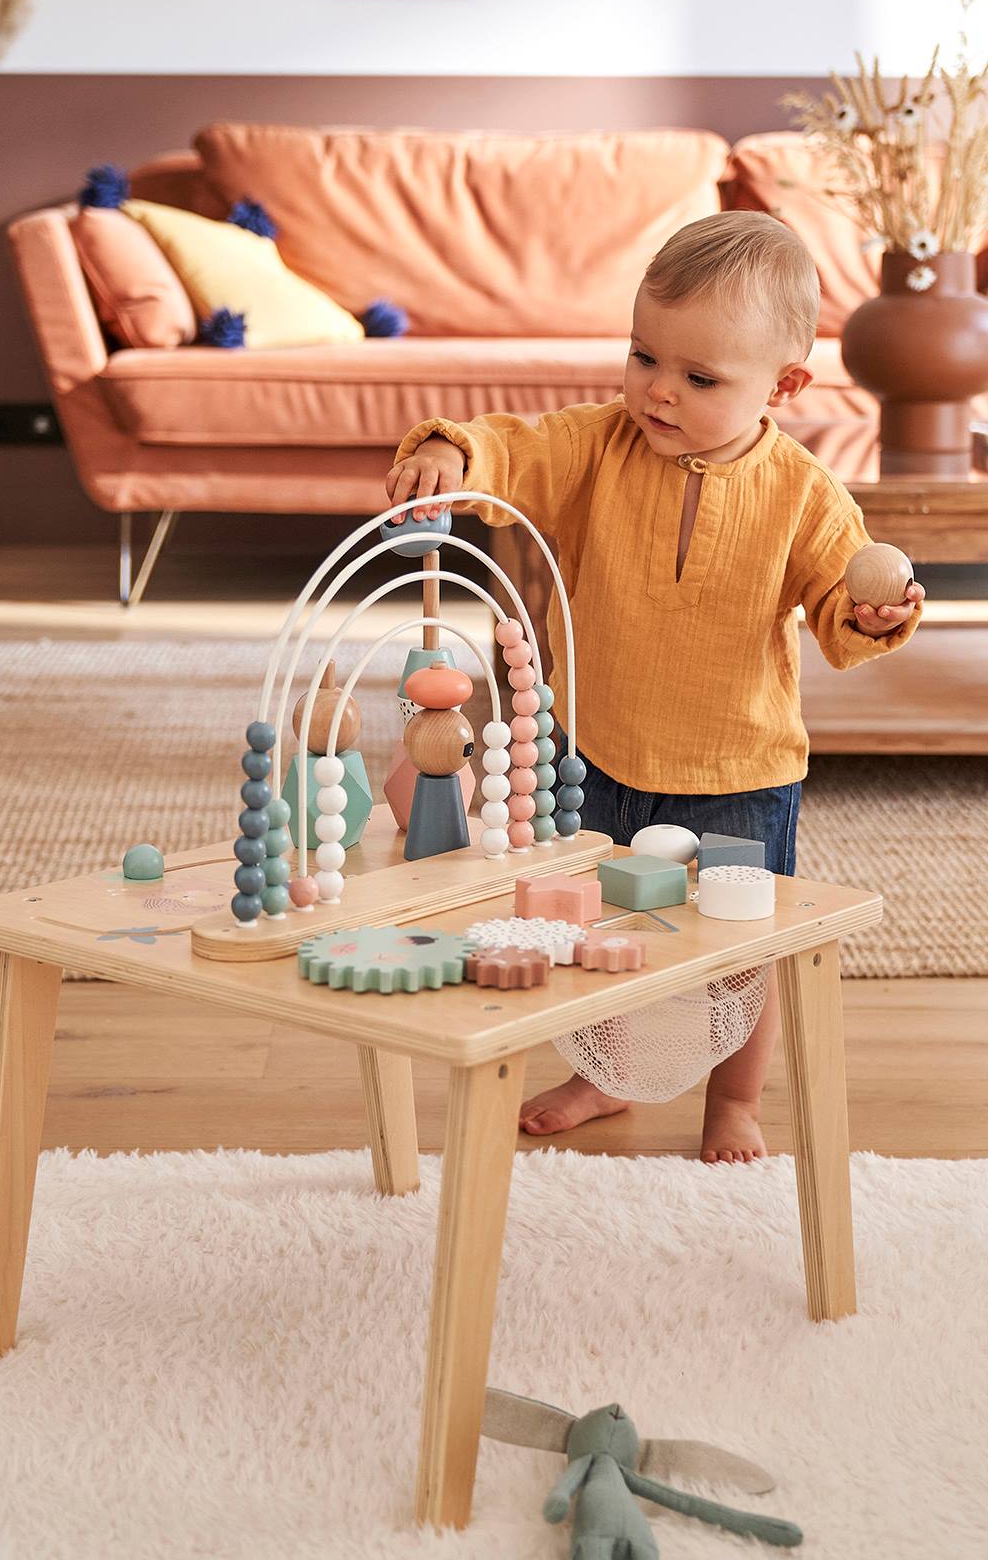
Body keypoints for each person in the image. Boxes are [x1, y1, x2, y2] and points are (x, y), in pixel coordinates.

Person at [384, 211, 923, 1163]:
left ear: (784, 387)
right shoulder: (597, 445)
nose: (659, 392)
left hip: (740, 768)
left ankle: (735, 1104)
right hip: (597, 754)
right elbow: (515, 449)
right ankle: (603, 1075)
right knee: (594, 934)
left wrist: (872, 614)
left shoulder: (806, 494)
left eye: (700, 378)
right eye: (644, 358)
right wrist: (456, 455)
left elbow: (839, 601)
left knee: (739, 955)